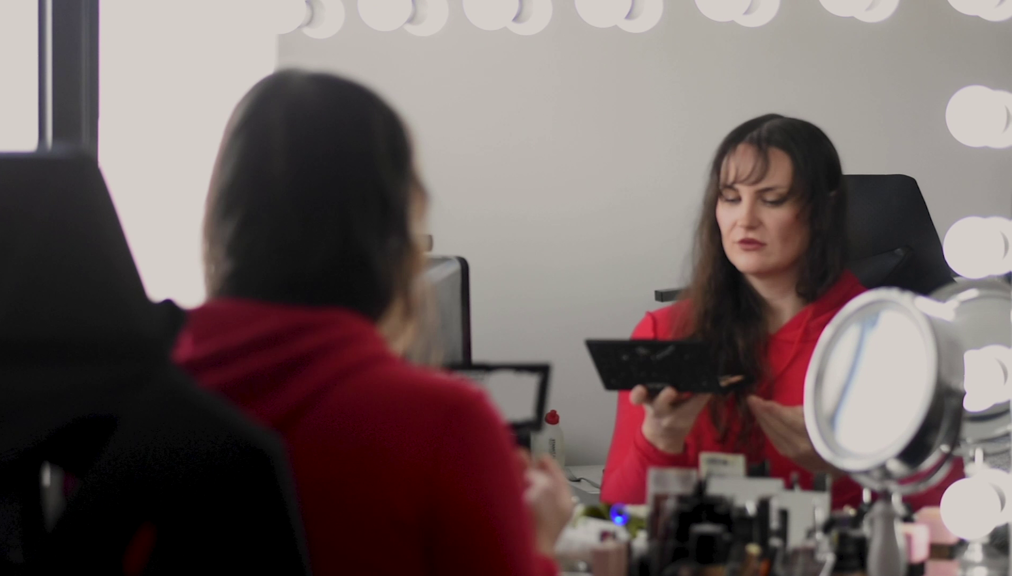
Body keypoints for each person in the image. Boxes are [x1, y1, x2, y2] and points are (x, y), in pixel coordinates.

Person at [173, 70, 572, 576]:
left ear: (222, 215)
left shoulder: (130, 400)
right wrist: (536, 542)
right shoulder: (444, 424)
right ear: (395, 227)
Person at [600, 114, 961, 509]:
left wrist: (841, 470)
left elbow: (948, 510)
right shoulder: (664, 332)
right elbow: (618, 515)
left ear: (823, 211)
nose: (745, 219)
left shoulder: (886, 338)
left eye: (772, 199)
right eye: (731, 198)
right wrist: (659, 440)